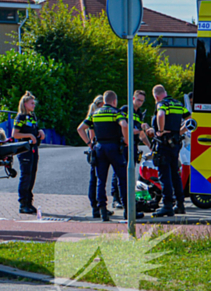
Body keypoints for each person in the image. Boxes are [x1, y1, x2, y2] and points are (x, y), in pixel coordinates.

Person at [77, 90, 143, 221]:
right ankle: (127, 211)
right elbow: (124, 124)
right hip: (114, 148)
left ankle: (103, 211)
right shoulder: (116, 112)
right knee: (123, 179)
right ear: (114, 101)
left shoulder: (95, 113)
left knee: (101, 180)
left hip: (100, 148)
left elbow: (80, 129)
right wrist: (126, 141)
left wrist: (89, 143)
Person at [148, 85, 191, 217]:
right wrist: (180, 131)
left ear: (156, 96)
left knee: (164, 175)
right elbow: (190, 119)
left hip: (164, 143)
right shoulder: (178, 104)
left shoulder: (162, 104)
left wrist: (160, 131)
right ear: (165, 93)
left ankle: (167, 205)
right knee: (175, 174)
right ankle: (180, 204)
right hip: (176, 143)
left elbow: (160, 115)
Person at [110, 89, 151, 208]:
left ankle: (127, 199)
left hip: (133, 145)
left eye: (142, 101)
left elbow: (142, 134)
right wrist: (138, 131)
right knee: (119, 172)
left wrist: (150, 146)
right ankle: (116, 199)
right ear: (133, 98)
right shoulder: (124, 110)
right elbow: (123, 128)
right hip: (124, 145)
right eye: (138, 100)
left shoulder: (139, 113)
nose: (140, 103)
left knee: (130, 172)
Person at [12, 91, 45, 214]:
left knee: (32, 175)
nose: (34, 105)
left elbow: (34, 130)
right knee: (25, 176)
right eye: (31, 103)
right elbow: (15, 134)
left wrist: (39, 132)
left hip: (33, 149)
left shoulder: (32, 116)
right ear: (25, 104)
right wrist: (29, 135)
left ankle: (29, 202)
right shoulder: (20, 117)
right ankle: (23, 203)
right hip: (24, 150)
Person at [84, 95, 108, 217]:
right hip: (97, 148)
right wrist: (90, 143)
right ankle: (97, 206)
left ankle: (95, 207)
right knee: (97, 179)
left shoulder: (91, 116)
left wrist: (89, 143)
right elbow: (90, 133)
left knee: (94, 179)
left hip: (94, 149)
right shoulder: (97, 117)